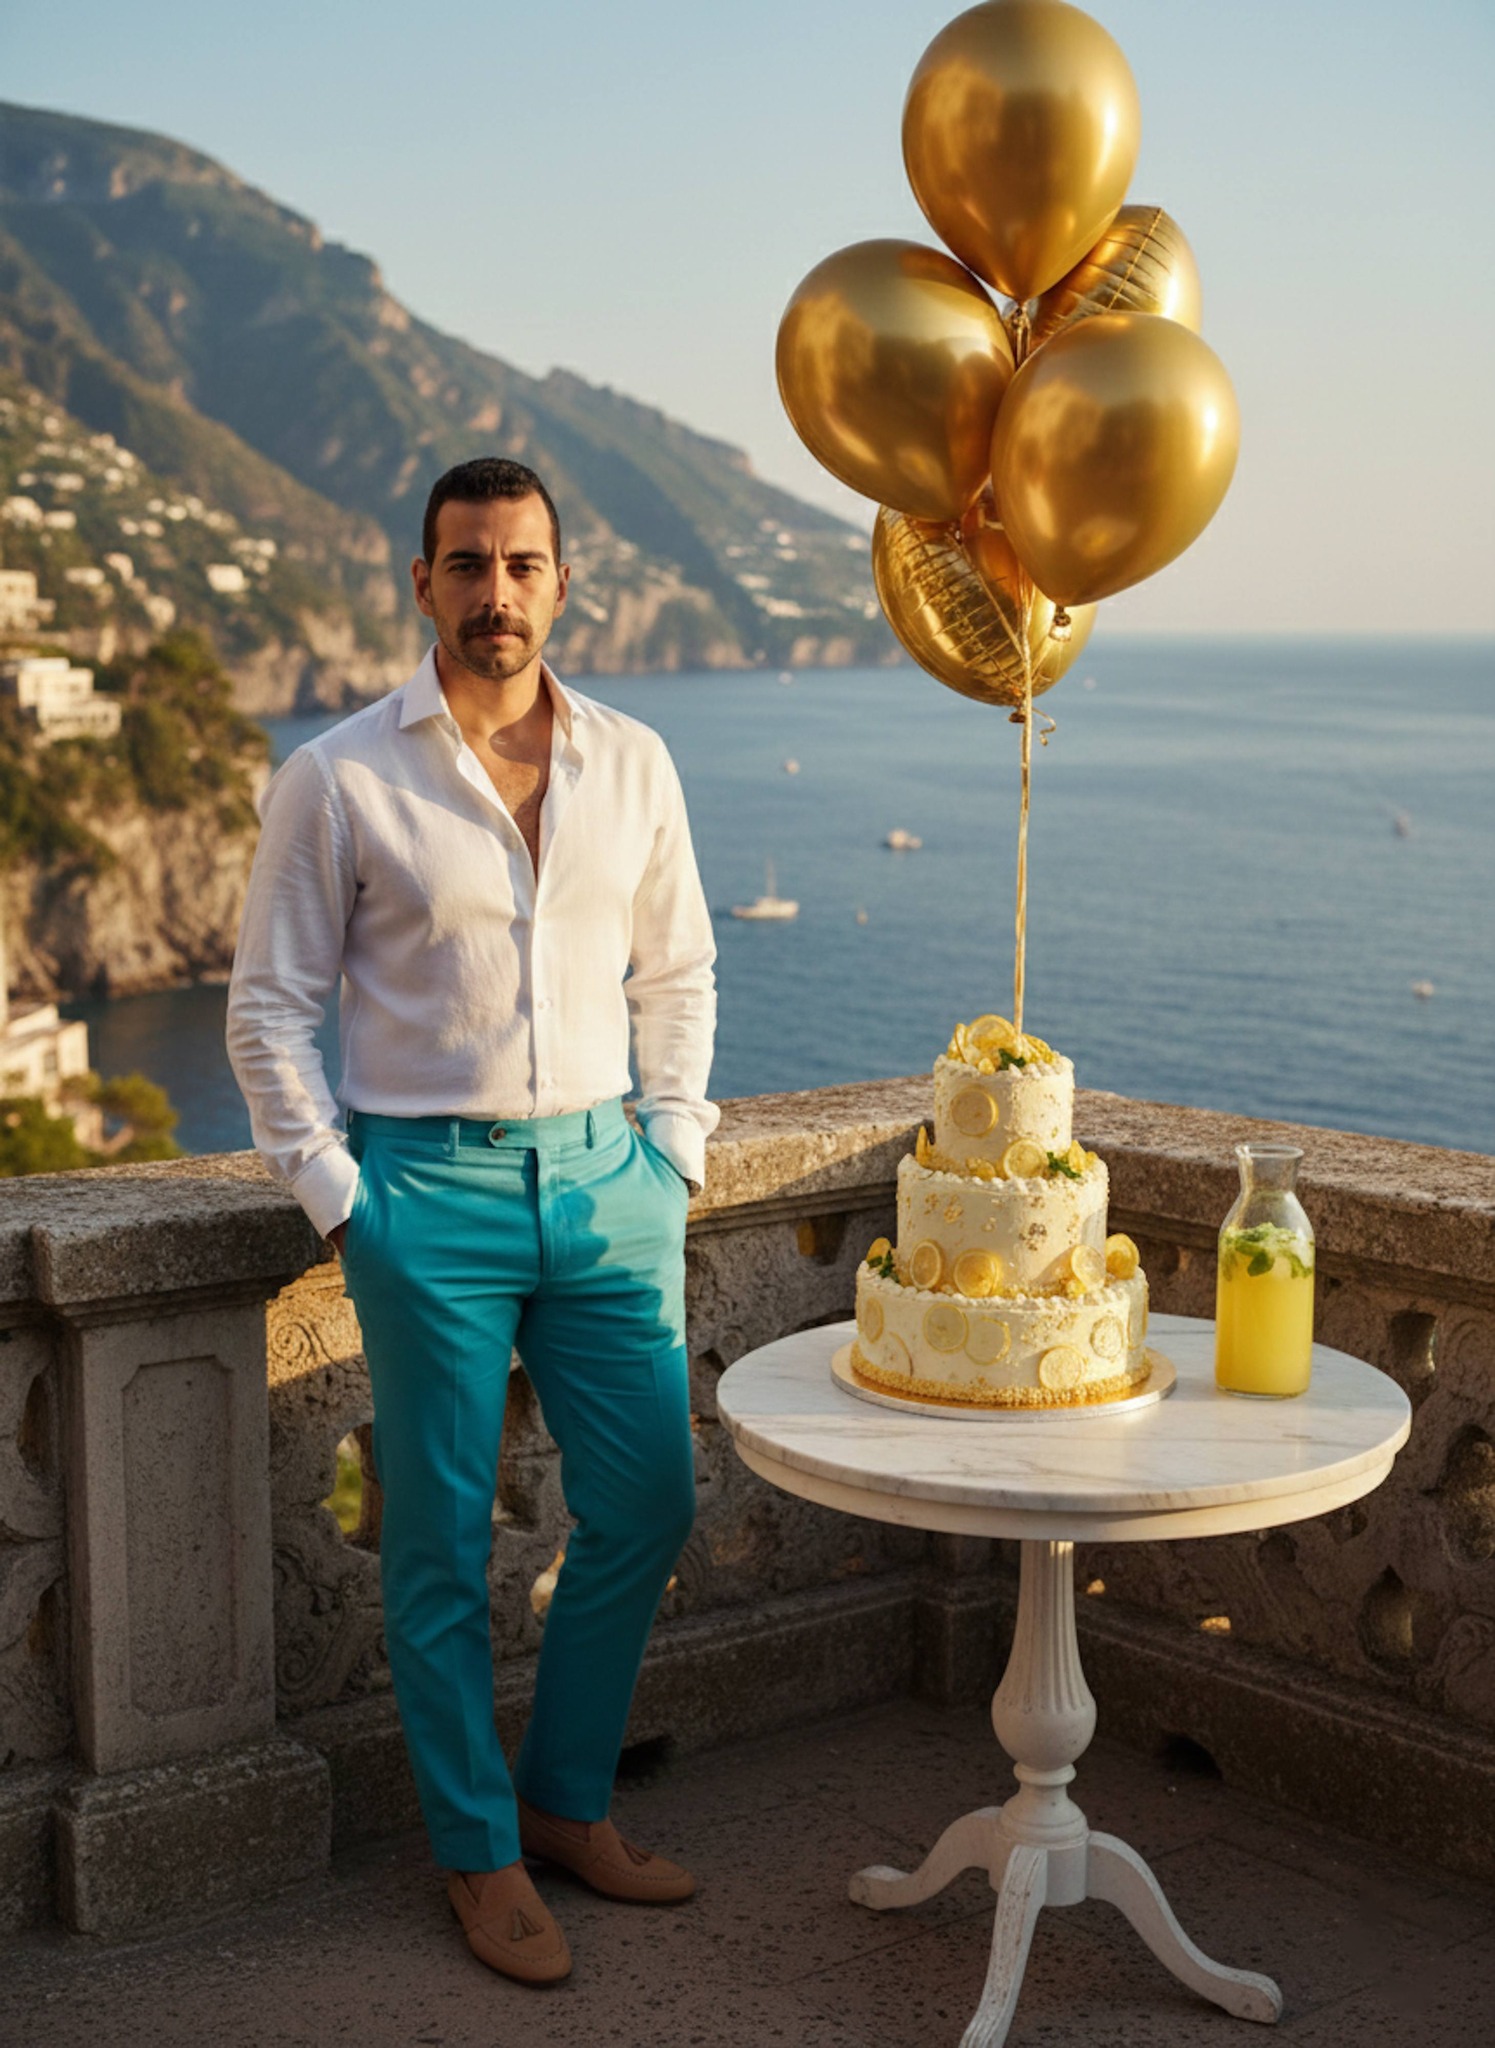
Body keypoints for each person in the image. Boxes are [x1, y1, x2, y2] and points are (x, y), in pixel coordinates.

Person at [227, 456, 717, 1987]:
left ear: (563, 584)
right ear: (422, 583)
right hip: (424, 1195)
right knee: (437, 1544)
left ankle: (564, 1801)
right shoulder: (338, 777)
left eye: (521, 565)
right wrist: (343, 1204)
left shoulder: (634, 762)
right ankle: (477, 1852)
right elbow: (268, 1012)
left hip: (609, 1184)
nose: (495, 593)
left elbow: (678, 974)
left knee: (650, 1502)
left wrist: (673, 1154)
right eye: (467, 564)